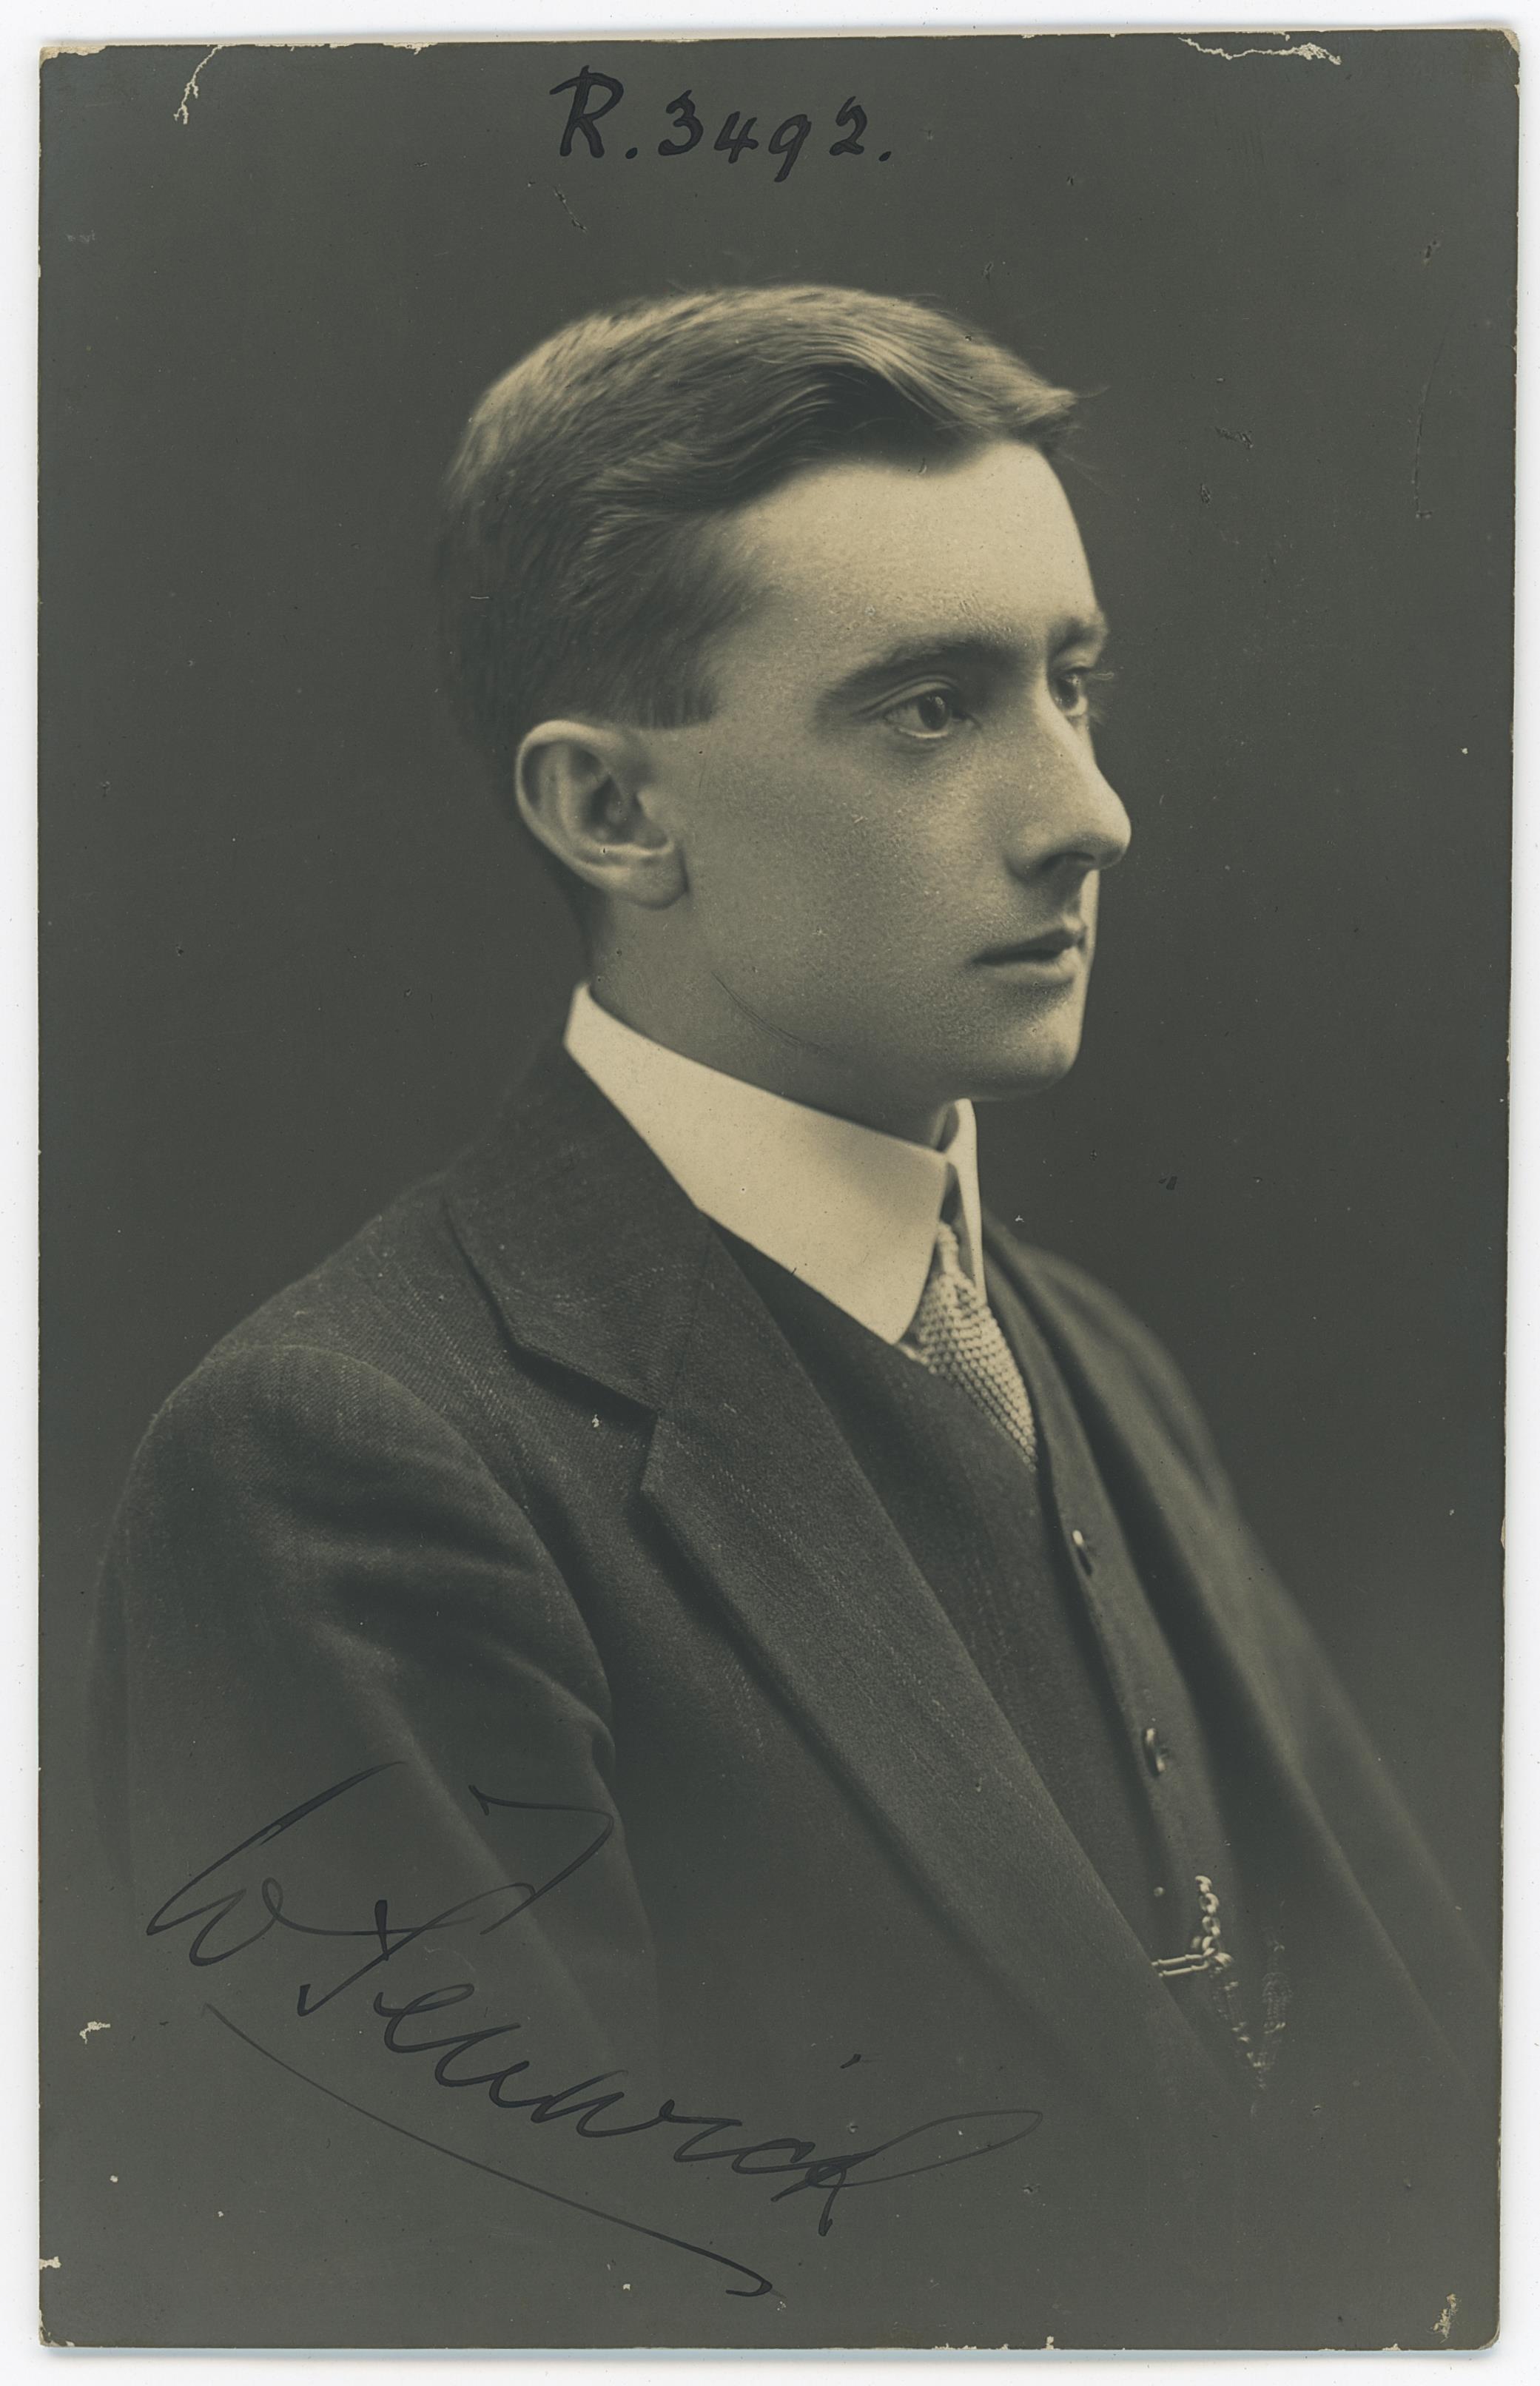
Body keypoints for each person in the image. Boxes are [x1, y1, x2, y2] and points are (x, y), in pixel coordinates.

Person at [90, 286, 1496, 2352]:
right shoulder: (347, 1465)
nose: (1087, 810)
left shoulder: (1088, 1358)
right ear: (611, 811)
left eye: (1074, 683)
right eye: (929, 709)